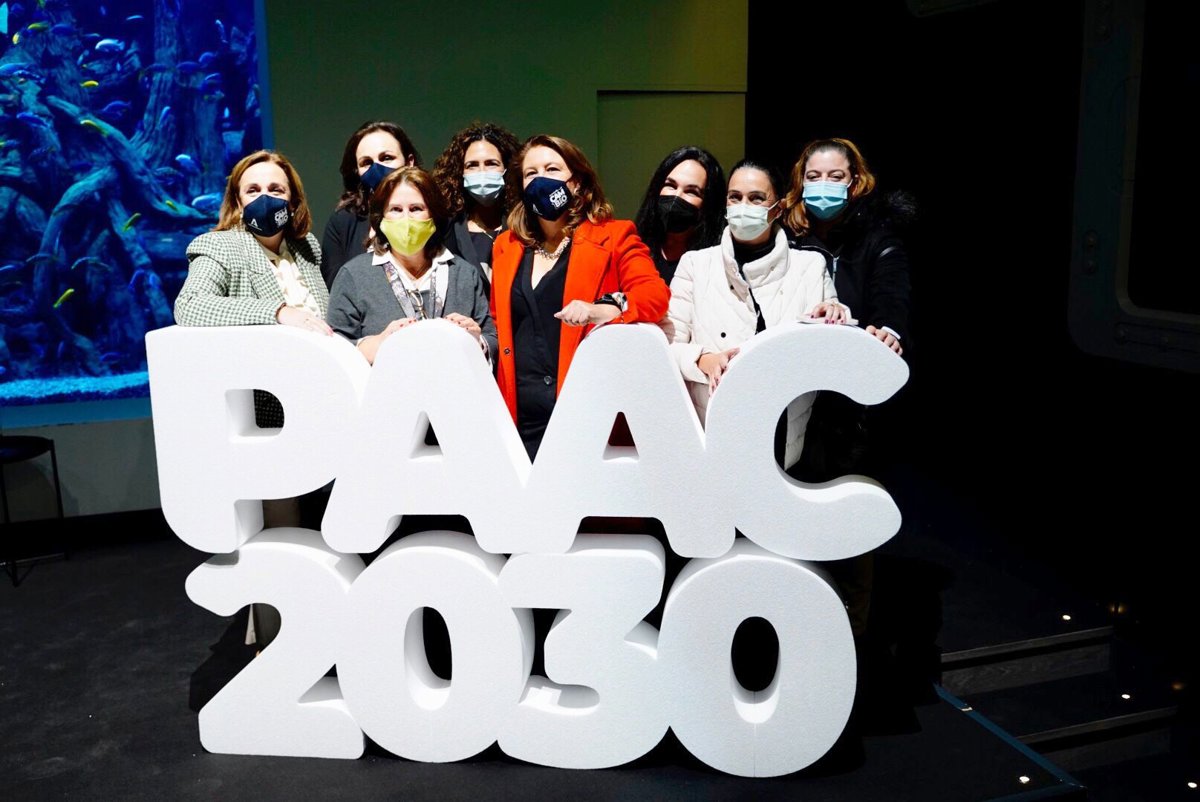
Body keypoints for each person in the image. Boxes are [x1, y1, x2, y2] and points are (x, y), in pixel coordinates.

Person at [174, 149, 331, 649]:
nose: (266, 198)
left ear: (294, 199)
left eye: (276, 190)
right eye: (254, 190)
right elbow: (190, 307)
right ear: (238, 202)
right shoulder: (219, 246)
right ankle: (278, 646)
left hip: (322, 412)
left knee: (325, 536)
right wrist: (277, 312)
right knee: (281, 538)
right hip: (268, 423)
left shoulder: (307, 250)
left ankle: (324, 638)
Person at [490, 134, 670, 460]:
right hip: (519, 415)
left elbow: (654, 295)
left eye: (552, 169)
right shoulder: (507, 245)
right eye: (531, 173)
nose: (541, 179)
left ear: (578, 183)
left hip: (586, 408)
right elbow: (498, 320)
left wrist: (607, 307)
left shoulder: (614, 236)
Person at [666, 158, 846, 469]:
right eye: (735, 197)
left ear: (778, 207)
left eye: (756, 198)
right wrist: (703, 360)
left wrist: (834, 315)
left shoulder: (810, 266)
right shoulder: (695, 265)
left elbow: (830, 352)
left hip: (784, 433)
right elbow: (668, 345)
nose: (743, 207)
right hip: (712, 430)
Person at [326, 167, 497, 364]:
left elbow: (491, 339)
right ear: (381, 217)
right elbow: (335, 350)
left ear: (434, 215)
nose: (406, 219)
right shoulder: (354, 275)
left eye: (416, 209)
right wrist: (377, 344)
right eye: (396, 210)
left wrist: (477, 342)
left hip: (452, 382)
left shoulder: (464, 273)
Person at [320, 121, 420, 288]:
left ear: (409, 161)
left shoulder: (436, 214)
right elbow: (336, 287)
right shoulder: (342, 222)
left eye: (386, 158)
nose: (376, 168)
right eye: (366, 162)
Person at [431, 122, 521, 294]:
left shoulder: (525, 227)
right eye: (472, 165)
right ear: (459, 172)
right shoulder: (445, 231)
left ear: (508, 168)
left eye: (491, 163)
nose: (482, 172)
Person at [633, 145, 727, 284]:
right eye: (670, 185)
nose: (676, 196)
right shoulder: (635, 249)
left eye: (691, 192)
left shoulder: (716, 264)